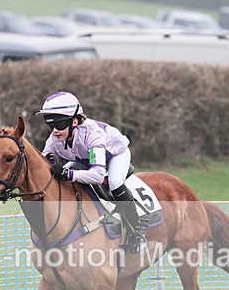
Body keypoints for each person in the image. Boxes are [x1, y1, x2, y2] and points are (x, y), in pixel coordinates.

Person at [36, 91, 147, 253]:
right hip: (86, 160)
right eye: (50, 125)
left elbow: (97, 175)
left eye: (59, 125)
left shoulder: (92, 134)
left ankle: (137, 232)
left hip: (114, 156)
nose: (54, 131)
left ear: (74, 121)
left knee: (115, 183)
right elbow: (46, 159)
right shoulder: (54, 138)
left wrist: (69, 174)